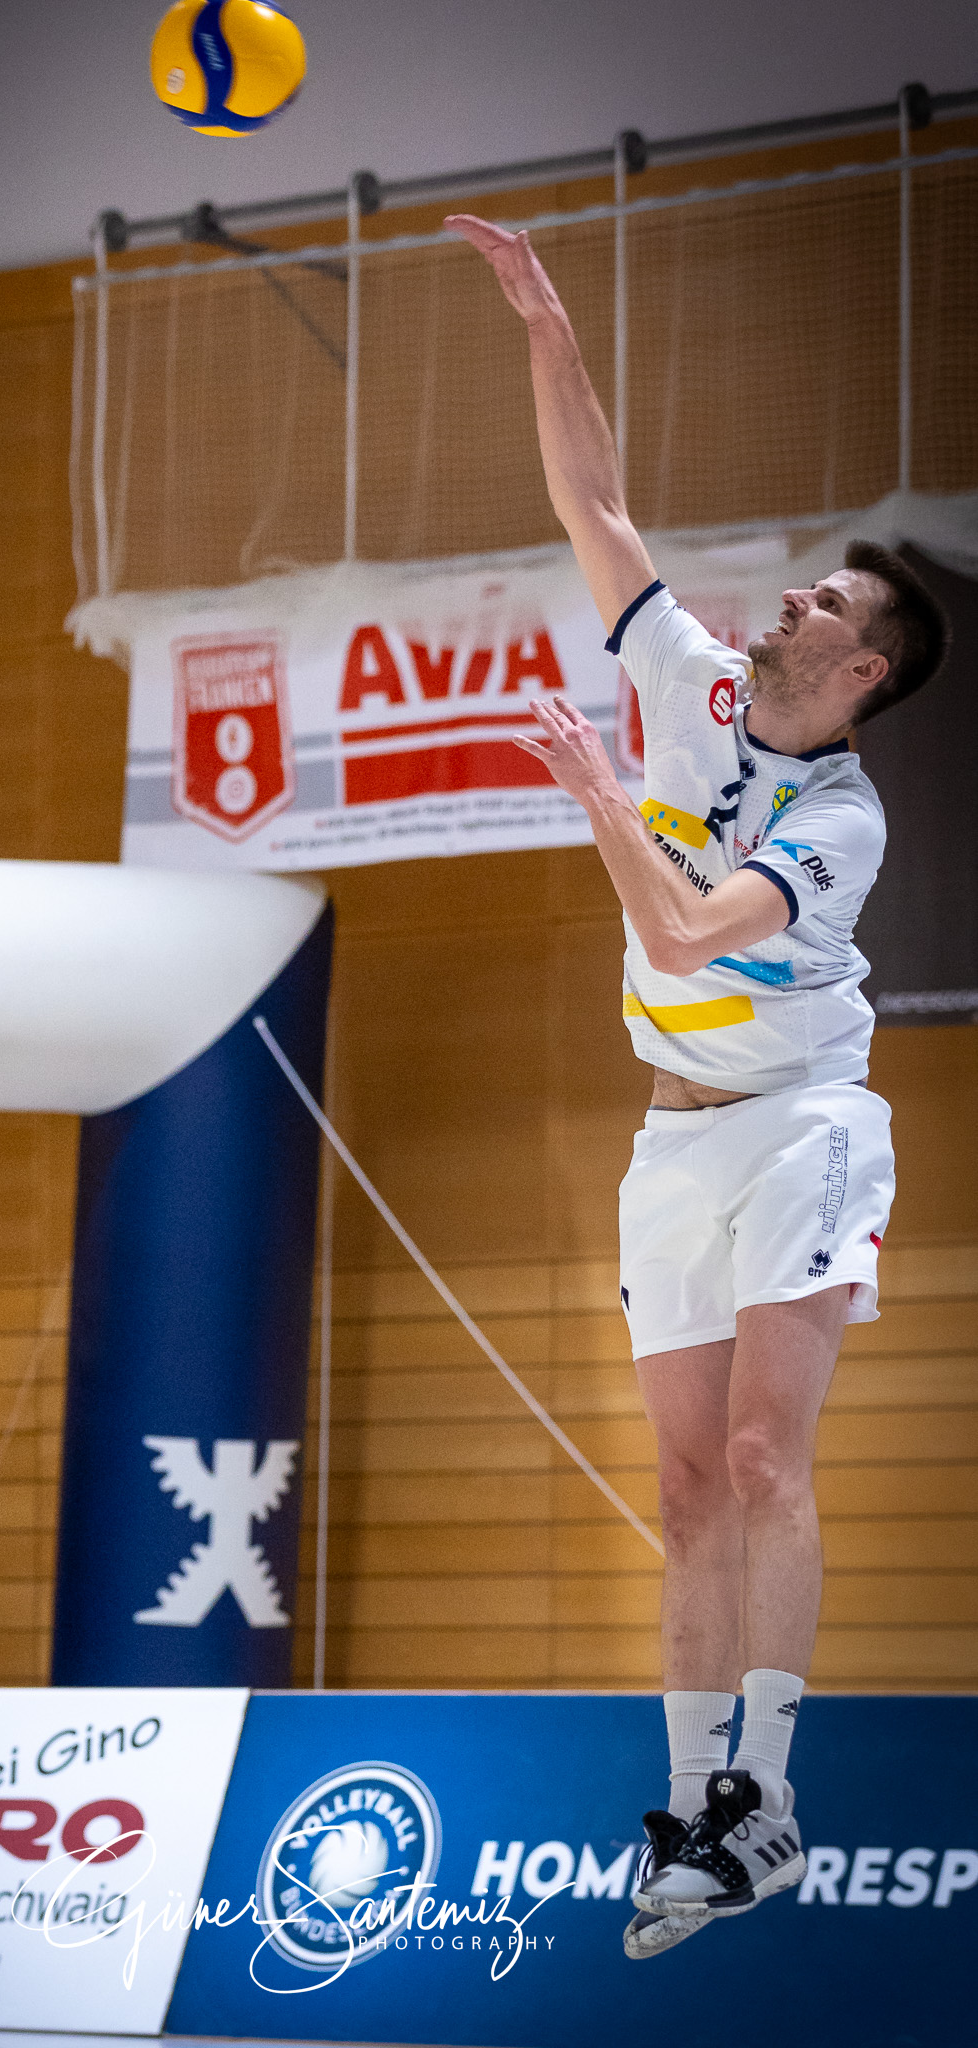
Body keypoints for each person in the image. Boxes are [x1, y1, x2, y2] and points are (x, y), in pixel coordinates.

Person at [447, 213, 950, 1961]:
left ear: (862, 668)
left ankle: (777, 1791)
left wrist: (595, 796)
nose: (788, 601)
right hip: (674, 1134)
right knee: (676, 1487)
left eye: (823, 603)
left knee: (759, 1451)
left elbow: (677, 939)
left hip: (806, 1119)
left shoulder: (840, 822)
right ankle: (694, 1811)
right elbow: (596, 503)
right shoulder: (694, 677)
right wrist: (545, 314)